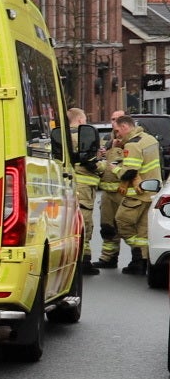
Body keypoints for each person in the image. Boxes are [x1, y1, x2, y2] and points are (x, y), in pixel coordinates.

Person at [97, 111, 162, 276]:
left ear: (125, 127)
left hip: (136, 195)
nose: (116, 134)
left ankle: (139, 254)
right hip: (151, 192)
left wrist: (115, 168)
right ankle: (141, 262)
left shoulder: (133, 144)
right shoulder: (150, 139)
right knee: (142, 231)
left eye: (118, 130)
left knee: (121, 223)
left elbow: (129, 173)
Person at [68, 106, 103, 273]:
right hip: (83, 187)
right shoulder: (82, 137)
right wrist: (104, 166)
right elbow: (91, 163)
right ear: (81, 120)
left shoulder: (62, 136)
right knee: (85, 222)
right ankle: (84, 261)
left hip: (68, 185)